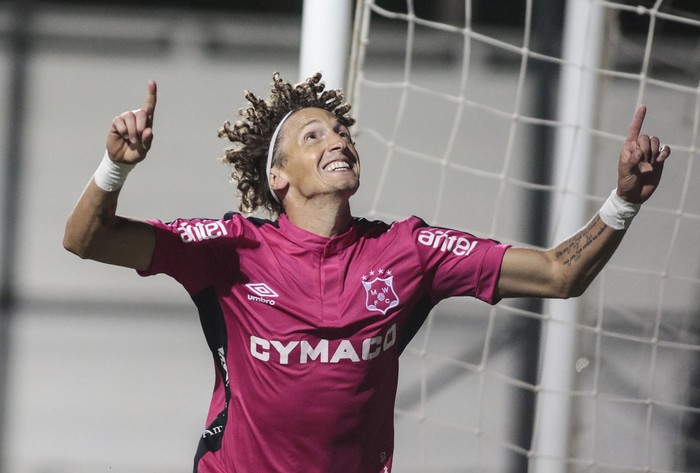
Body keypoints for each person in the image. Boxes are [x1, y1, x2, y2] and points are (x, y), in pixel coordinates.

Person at [63, 72, 670, 473]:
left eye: (344, 132)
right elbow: (86, 240)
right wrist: (114, 168)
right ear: (278, 177)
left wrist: (623, 202)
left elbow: (559, 275)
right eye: (314, 133)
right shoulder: (231, 248)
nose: (340, 140)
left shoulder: (410, 250)